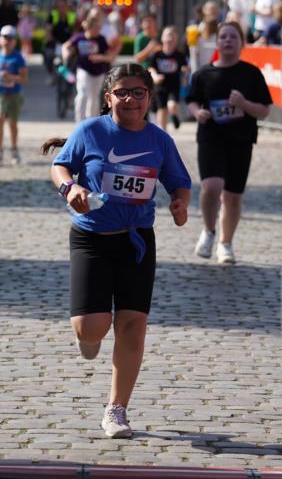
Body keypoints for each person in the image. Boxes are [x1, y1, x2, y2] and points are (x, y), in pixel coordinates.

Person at [42, 63, 191, 438]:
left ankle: (116, 410)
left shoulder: (160, 141)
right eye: (122, 92)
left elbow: (180, 183)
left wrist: (180, 204)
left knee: (132, 326)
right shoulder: (91, 131)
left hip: (137, 240)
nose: (130, 99)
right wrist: (69, 189)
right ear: (107, 98)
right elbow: (61, 166)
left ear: (149, 98)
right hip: (92, 237)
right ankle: (86, 336)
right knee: (93, 329)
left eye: (138, 92)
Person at [187, 21, 272, 265]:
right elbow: (192, 100)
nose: (227, 41)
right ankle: (208, 230)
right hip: (211, 137)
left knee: (233, 196)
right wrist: (197, 113)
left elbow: (264, 111)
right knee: (211, 187)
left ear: (241, 43)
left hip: (241, 139)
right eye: (223, 36)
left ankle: (226, 244)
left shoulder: (251, 74)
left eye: (233, 37)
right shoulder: (203, 74)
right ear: (217, 42)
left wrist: (244, 104)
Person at [0, 25, 27, 165]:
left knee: (12, 124)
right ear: (0, 39)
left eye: (10, 38)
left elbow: (24, 78)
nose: (6, 41)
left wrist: (11, 77)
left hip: (14, 94)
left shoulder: (18, 57)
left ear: (14, 41)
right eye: (4, 37)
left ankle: (14, 150)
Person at [63, 10, 116, 122]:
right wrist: (66, 53)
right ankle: (79, 121)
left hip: (98, 71)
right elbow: (66, 46)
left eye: (99, 28)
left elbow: (109, 56)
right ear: (89, 28)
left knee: (94, 96)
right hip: (83, 69)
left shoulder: (101, 39)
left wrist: (100, 58)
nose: (98, 30)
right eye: (96, 28)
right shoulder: (79, 37)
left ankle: (91, 121)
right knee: (82, 93)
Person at [148, 25, 189, 131]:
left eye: (173, 36)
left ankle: (174, 115)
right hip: (160, 86)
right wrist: (155, 76)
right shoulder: (157, 54)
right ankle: (162, 131)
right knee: (162, 109)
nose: (170, 38)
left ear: (176, 40)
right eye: (167, 35)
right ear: (162, 38)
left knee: (172, 105)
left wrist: (185, 74)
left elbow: (184, 67)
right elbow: (151, 68)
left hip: (174, 84)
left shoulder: (179, 55)